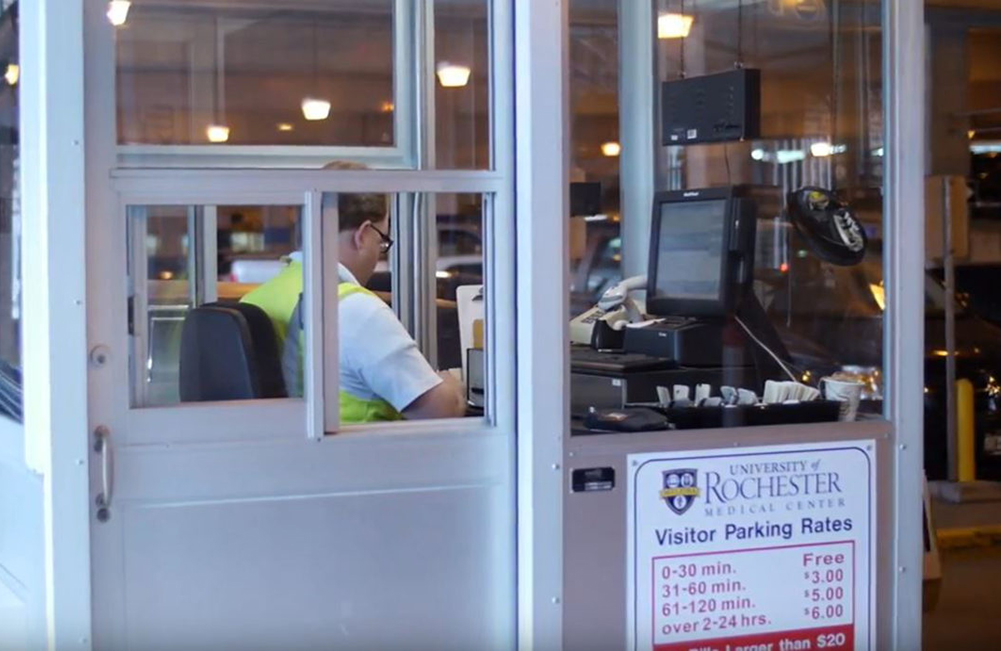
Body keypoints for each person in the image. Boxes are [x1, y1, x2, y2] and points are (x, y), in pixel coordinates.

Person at [241, 168, 466, 423]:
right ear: (363, 235)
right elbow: (439, 411)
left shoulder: (256, 298)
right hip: (358, 457)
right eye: (382, 241)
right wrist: (452, 384)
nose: (379, 253)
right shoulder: (354, 309)